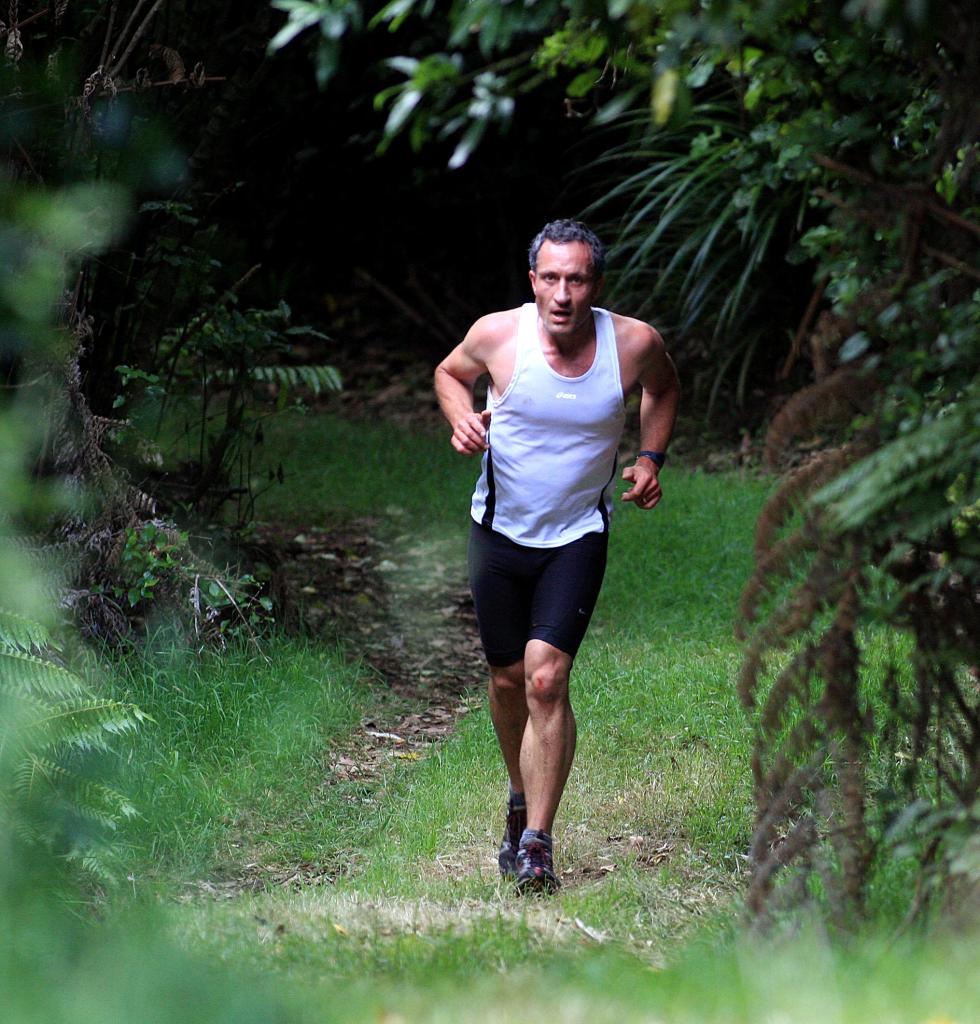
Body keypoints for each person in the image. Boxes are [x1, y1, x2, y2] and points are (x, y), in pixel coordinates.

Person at [434, 219, 679, 893]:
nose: (563, 294)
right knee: (508, 680)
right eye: (551, 278)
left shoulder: (632, 343)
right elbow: (450, 373)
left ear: (595, 284)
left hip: (577, 534)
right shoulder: (499, 335)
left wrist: (650, 458)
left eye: (576, 279)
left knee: (546, 679)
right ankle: (519, 798)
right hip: (498, 533)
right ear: (533, 281)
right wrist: (461, 416)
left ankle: (538, 843)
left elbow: (663, 388)